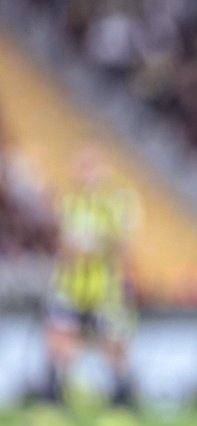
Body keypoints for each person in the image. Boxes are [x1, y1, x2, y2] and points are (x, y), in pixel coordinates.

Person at [43, 147, 139, 409]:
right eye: (81, 166)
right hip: (70, 286)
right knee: (60, 341)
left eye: (90, 166)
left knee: (113, 345)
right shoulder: (69, 200)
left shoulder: (115, 201)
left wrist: (93, 246)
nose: (86, 173)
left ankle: (122, 400)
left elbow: (123, 245)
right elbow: (62, 246)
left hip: (105, 289)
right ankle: (52, 401)